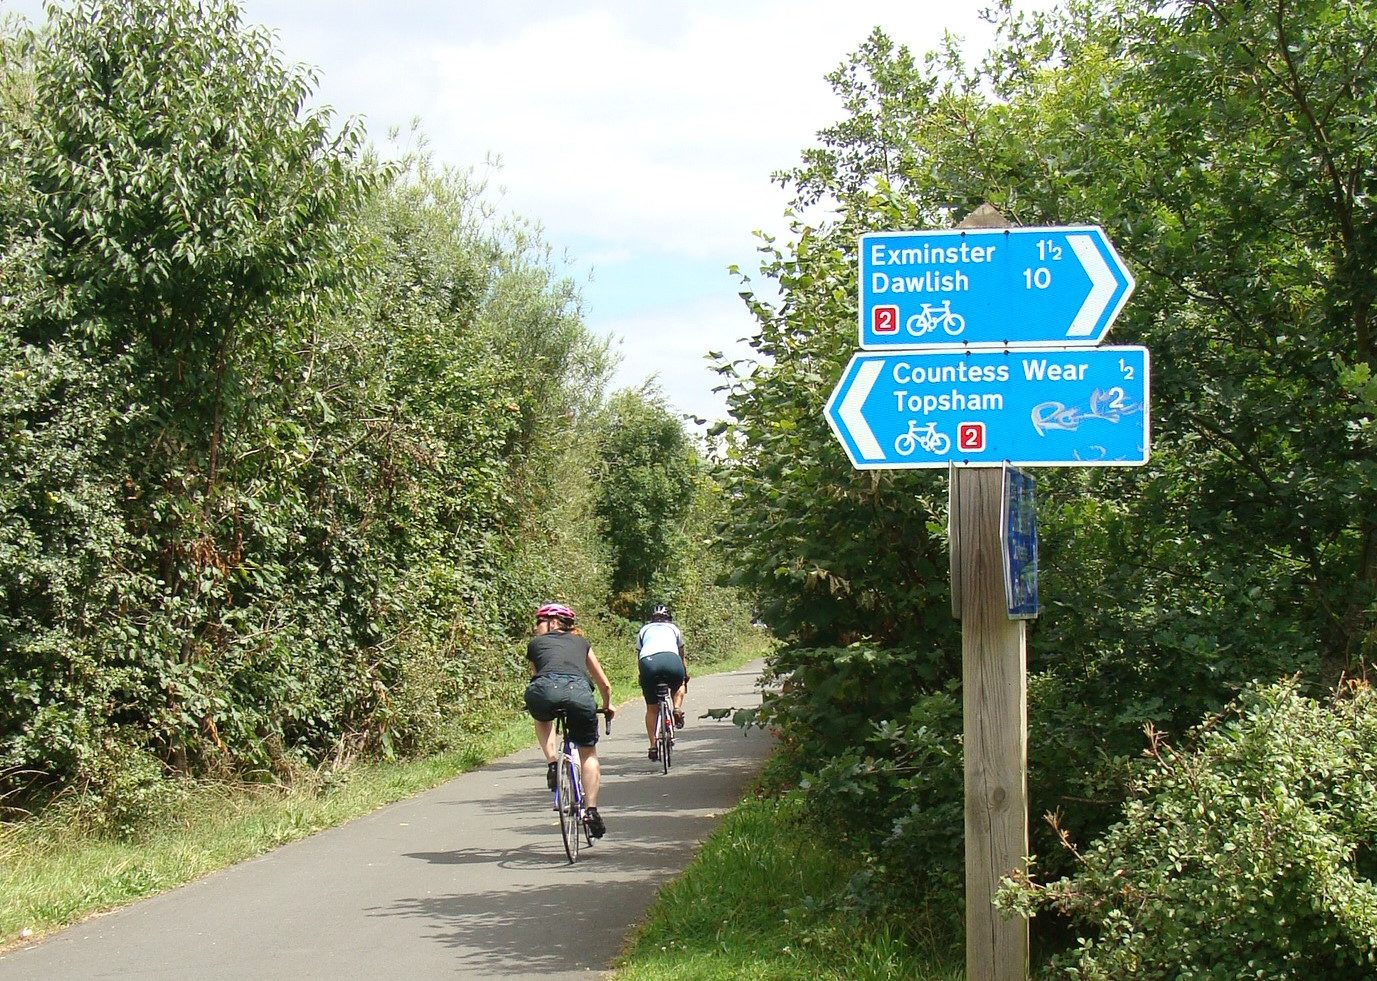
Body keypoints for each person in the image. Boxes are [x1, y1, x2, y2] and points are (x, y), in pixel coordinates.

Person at [523, 602, 615, 837]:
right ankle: (591, 811)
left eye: (539, 622)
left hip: (544, 690)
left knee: (542, 716)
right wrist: (607, 706)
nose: (536, 628)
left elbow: (538, 676)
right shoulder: (581, 643)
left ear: (553, 623)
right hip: (579, 693)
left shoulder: (535, 645)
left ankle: (553, 762)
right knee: (588, 752)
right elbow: (604, 683)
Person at [636, 604, 687, 761]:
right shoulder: (674, 629)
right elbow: (681, 654)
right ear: (669, 618)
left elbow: (639, 656)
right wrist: (684, 675)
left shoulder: (643, 630)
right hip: (671, 659)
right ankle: (677, 709)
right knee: (679, 684)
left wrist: (643, 675)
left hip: (648, 662)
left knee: (652, 709)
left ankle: (652, 745)